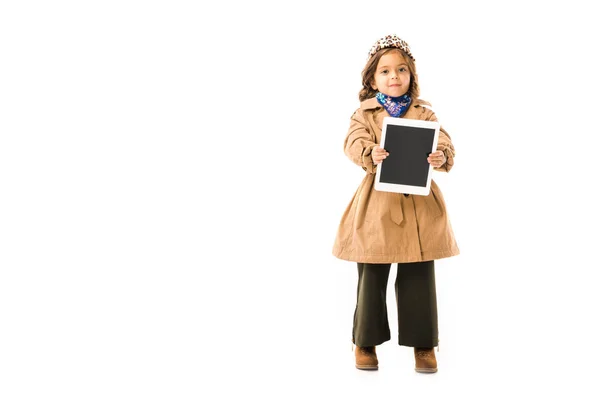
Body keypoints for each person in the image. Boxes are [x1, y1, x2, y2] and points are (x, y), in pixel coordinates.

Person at [332, 34, 460, 373]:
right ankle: (365, 341)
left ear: (411, 76)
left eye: (401, 70)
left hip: (417, 206)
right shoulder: (366, 114)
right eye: (385, 71)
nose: (394, 77)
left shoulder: (424, 114)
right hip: (378, 205)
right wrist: (368, 152)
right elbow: (353, 140)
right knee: (372, 274)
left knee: (418, 274)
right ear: (372, 79)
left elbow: (444, 141)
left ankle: (423, 345)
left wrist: (440, 154)